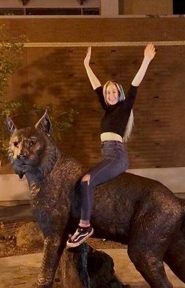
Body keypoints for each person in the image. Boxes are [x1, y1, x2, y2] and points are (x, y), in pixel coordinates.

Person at [66, 43, 156, 248]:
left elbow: (135, 85)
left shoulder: (124, 108)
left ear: (119, 94)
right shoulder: (107, 111)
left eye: (114, 92)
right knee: (81, 182)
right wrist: (86, 64)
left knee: (87, 181)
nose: (110, 95)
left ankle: (84, 227)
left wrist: (146, 60)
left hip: (117, 156)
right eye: (108, 93)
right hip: (107, 155)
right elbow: (96, 86)